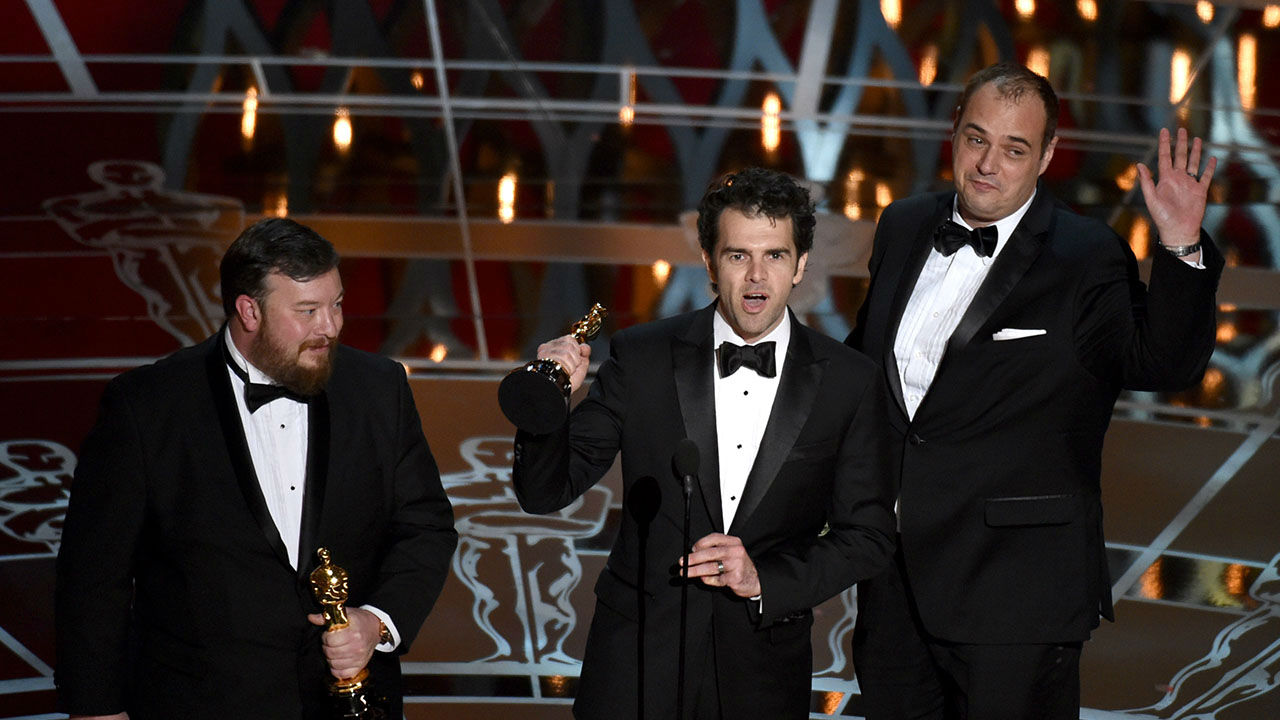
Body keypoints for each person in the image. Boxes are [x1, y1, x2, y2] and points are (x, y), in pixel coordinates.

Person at [846, 61, 1223, 719]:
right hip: (895, 582)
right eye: (976, 138)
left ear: (1047, 155)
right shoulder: (904, 224)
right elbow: (864, 373)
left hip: (1014, 592)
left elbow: (1162, 363)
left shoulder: (1085, 256)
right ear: (955, 134)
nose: (989, 163)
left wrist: (1181, 246)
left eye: (1015, 149)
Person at [511, 167, 896, 719]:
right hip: (637, 666)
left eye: (776, 256)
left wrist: (763, 577)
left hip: (762, 670)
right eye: (739, 256)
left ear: (802, 265)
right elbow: (545, 492)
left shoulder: (849, 382)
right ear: (711, 263)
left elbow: (869, 537)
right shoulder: (642, 357)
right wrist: (548, 408)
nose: (757, 276)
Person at [54, 217, 458, 719]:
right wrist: (97, 709)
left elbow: (426, 525)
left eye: (336, 305)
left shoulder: (379, 388)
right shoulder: (147, 408)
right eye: (307, 311)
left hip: (350, 703)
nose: (329, 327)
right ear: (249, 311)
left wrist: (375, 621)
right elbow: (94, 575)